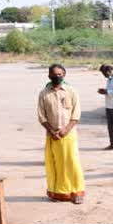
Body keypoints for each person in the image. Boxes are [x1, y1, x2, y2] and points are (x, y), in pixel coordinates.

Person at [38, 64, 85, 204]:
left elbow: (76, 114)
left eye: (60, 74)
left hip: (68, 134)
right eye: (54, 74)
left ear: (64, 75)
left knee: (72, 162)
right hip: (52, 135)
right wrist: (52, 131)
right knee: (56, 164)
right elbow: (41, 116)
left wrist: (66, 130)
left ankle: (76, 193)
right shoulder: (44, 93)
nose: (57, 76)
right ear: (49, 76)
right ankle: (58, 193)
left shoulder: (71, 91)